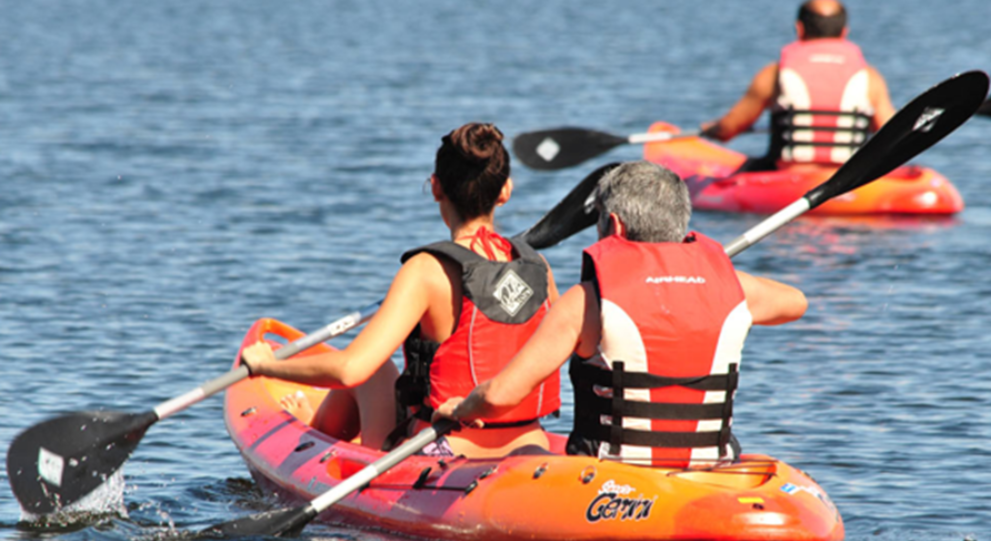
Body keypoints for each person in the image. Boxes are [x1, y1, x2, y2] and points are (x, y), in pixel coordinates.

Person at [434, 161, 808, 468]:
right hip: (709, 470)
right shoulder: (736, 290)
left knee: (524, 455)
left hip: (610, 477)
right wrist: (712, 271)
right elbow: (796, 302)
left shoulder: (586, 303)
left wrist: (461, 407)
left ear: (614, 226)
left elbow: (500, 395)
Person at [241, 122, 561, 458]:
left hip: (446, 449)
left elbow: (351, 369)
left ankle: (314, 431)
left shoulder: (425, 271)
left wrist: (267, 365)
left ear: (436, 187)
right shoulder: (539, 268)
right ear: (505, 191)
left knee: (373, 370)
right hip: (529, 446)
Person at [701, 0, 895, 171]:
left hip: (790, 178)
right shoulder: (870, 78)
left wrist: (713, 129)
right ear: (844, 32)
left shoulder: (773, 75)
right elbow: (891, 135)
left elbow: (729, 129)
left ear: (799, 28)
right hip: (849, 179)